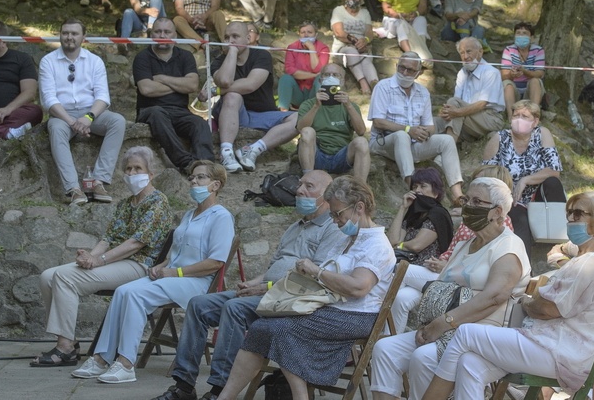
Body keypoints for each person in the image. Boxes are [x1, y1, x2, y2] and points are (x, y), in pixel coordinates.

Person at [149, 170, 345, 400]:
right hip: (267, 290)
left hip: (292, 299)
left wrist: (264, 287)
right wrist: (252, 283)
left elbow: (313, 278)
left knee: (234, 308)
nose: (299, 190)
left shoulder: (332, 229)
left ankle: (220, 389)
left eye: (309, 186)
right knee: (199, 304)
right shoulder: (295, 226)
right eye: (300, 184)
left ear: (326, 195)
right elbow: (274, 266)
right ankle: (183, 385)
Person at [421, 191, 594, 400]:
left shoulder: (593, 262)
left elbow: (547, 309)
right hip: (556, 346)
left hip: (560, 350)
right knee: (470, 363)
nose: (571, 219)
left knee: (465, 334)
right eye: (569, 213)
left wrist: (528, 304)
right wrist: (535, 302)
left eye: (579, 213)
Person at [216, 176, 395, 400]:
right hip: (331, 307)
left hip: (357, 315)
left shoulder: (377, 244)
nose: (336, 221)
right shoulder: (346, 239)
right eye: (332, 215)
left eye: (338, 214)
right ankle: (226, 397)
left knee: (281, 330)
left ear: (359, 207)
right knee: (262, 328)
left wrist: (317, 272)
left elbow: (358, 288)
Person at [71, 160, 235, 384]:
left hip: (196, 281)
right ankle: (101, 358)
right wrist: (162, 265)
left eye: (200, 177)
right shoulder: (189, 214)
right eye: (192, 177)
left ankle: (126, 363)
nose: (193, 181)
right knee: (123, 291)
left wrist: (173, 272)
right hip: (174, 276)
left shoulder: (222, 217)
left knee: (137, 295)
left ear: (215, 185)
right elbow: (176, 252)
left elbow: (215, 263)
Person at [370, 177, 531, 400]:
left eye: (477, 201)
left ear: (498, 211)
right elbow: (443, 287)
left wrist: (443, 323)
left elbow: (495, 297)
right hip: (446, 327)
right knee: (385, 350)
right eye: (467, 199)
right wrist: (431, 323)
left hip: (481, 333)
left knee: (423, 357)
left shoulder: (509, 245)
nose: (468, 206)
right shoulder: (466, 245)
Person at [32, 146, 173, 367]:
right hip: (117, 261)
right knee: (48, 276)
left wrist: (99, 260)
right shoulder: (126, 204)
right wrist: (89, 255)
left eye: (138, 168)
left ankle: (65, 348)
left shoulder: (158, 201)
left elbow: (136, 243)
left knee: (65, 278)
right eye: (128, 169)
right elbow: (108, 238)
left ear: (150, 174)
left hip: (139, 265)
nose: (132, 173)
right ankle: (69, 341)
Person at [39, 18, 126, 204]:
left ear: (83, 37)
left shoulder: (94, 61)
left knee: (117, 121)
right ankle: (73, 188)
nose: (69, 37)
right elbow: (49, 99)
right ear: (60, 35)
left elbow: (103, 97)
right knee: (56, 129)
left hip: (91, 112)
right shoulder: (48, 61)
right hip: (61, 114)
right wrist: (72, 122)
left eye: (74, 33)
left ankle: (99, 181)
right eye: (65, 33)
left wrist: (88, 118)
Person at [368, 52, 466, 204]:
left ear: (418, 73)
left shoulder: (423, 92)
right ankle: (414, 190)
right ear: (396, 66)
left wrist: (424, 132)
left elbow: (430, 126)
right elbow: (378, 122)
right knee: (402, 135)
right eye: (402, 68)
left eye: (410, 70)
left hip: (413, 145)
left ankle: (458, 196)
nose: (405, 73)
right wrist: (408, 129)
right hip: (383, 142)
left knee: (446, 140)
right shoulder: (383, 87)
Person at [208, 21, 299, 173]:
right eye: (227, 37)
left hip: (262, 114)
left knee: (299, 118)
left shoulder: (262, 55)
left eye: (235, 36)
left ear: (248, 38)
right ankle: (226, 153)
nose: (230, 40)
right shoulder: (218, 61)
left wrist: (217, 91)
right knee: (233, 96)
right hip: (232, 110)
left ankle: (252, 150)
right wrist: (232, 52)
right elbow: (224, 80)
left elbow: (250, 85)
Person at [133, 17, 214, 172]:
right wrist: (179, 84)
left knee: (200, 123)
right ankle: (186, 163)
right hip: (150, 110)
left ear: (175, 35)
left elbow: (192, 85)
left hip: (180, 112)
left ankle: (205, 167)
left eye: (167, 32)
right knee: (157, 113)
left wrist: (162, 79)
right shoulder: (142, 57)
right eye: (158, 31)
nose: (162, 35)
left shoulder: (185, 56)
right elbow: (147, 89)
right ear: (152, 35)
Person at [483, 99, 565, 250]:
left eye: (525, 116)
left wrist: (525, 180)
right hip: (512, 198)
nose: (519, 119)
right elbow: (484, 174)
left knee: (553, 183)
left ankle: (558, 241)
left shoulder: (542, 134)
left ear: (535, 121)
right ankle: (524, 268)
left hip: (538, 198)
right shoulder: (500, 138)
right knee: (519, 219)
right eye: (516, 115)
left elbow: (554, 170)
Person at [297, 63, 370, 180]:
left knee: (362, 142)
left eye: (335, 75)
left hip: (341, 156)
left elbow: (361, 131)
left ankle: (360, 188)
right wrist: (316, 106)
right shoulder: (309, 104)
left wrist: (349, 106)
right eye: (327, 75)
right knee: (307, 131)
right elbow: (300, 129)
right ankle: (308, 180)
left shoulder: (350, 106)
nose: (331, 77)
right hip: (317, 154)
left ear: (342, 81)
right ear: (320, 80)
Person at [434, 37, 505, 143]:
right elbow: (456, 101)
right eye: (462, 53)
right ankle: (424, 154)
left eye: (469, 51)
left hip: (490, 118)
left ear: (480, 52)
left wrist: (457, 112)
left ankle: (447, 150)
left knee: (454, 107)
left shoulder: (491, 72)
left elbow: (482, 104)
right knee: (434, 122)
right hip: (467, 117)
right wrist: (447, 112)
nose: (465, 57)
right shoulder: (462, 73)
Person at [386, 167, 454, 266]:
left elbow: (416, 245)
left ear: (436, 192)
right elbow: (391, 241)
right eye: (414, 186)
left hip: (428, 268)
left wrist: (399, 245)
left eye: (423, 186)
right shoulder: (414, 214)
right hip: (405, 263)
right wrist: (403, 208)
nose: (417, 190)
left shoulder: (438, 214)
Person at [330, 0, 378, 93]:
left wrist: (365, 40)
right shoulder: (338, 11)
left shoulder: (365, 13)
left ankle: (375, 85)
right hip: (343, 47)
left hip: (362, 46)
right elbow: (339, 32)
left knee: (365, 58)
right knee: (351, 51)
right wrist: (355, 42)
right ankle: (363, 83)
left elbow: (369, 32)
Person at [277, 21, 329, 111]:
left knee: (321, 78)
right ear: (299, 34)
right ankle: (283, 113)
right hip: (298, 92)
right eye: (303, 32)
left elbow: (319, 69)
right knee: (285, 78)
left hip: (314, 92)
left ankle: (322, 111)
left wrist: (312, 49)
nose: (306, 35)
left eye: (309, 32)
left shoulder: (323, 48)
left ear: (315, 35)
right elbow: (290, 71)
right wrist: (313, 75)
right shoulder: (292, 47)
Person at [500, 22, 545, 120]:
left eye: (524, 33)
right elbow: (503, 75)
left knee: (535, 81)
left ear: (532, 37)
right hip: (514, 89)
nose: (521, 35)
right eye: (518, 33)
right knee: (507, 83)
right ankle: (511, 118)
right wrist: (511, 75)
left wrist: (525, 71)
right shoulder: (508, 50)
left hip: (529, 90)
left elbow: (540, 73)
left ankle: (533, 116)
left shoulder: (538, 50)